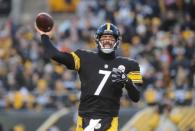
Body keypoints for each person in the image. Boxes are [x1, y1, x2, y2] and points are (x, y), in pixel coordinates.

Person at [35, 22, 143, 131]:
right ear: (97, 39)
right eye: (104, 37)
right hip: (84, 118)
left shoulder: (130, 65)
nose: (107, 41)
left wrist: (127, 82)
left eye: (111, 38)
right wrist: (44, 36)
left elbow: (136, 97)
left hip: (109, 119)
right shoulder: (84, 57)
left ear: (117, 41)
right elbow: (56, 55)